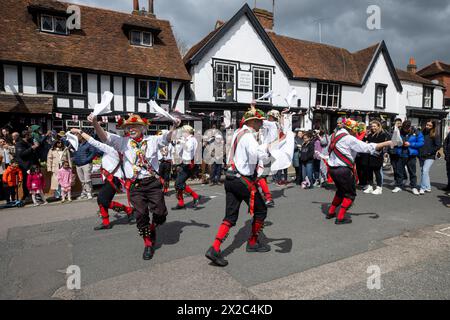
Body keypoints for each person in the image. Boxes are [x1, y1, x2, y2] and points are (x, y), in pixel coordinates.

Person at [89, 113, 180, 261]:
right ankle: (148, 244)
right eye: (128, 126)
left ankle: (152, 229)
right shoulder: (122, 142)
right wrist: (94, 122)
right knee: (141, 215)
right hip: (135, 185)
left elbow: (168, 138)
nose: (131, 129)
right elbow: (104, 137)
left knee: (161, 214)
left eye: (134, 126)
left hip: (152, 182)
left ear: (143, 127)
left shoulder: (152, 140)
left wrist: (175, 126)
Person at [205, 105, 273, 267]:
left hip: (230, 177)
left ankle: (214, 248)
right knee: (261, 210)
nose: (261, 125)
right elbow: (256, 155)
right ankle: (253, 242)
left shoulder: (237, 133)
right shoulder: (249, 137)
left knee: (230, 216)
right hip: (242, 180)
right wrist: (268, 152)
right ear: (253, 122)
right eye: (259, 122)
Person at [326, 118, 394, 225]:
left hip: (332, 169)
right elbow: (367, 147)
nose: (356, 133)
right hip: (343, 170)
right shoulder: (349, 138)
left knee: (340, 191)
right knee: (350, 194)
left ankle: (330, 212)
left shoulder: (334, 135)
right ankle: (340, 217)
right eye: (355, 130)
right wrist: (387, 142)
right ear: (351, 129)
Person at [70, 128, 135, 230]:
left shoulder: (111, 149)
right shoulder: (113, 150)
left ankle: (128, 210)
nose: (104, 139)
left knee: (102, 199)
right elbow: (96, 146)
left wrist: (80, 131)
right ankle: (106, 222)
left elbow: (94, 142)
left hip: (113, 179)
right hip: (111, 179)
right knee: (102, 200)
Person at [173, 125, 201, 210]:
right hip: (183, 162)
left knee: (179, 183)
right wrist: (178, 144)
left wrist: (182, 142)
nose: (182, 133)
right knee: (178, 184)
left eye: (183, 132)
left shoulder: (192, 140)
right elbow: (179, 151)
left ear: (187, 132)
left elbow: (189, 151)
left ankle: (195, 196)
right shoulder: (186, 139)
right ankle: (181, 203)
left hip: (188, 163)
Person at [392, 120, 424, 195]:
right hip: (400, 154)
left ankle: (414, 187)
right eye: (404, 128)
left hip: (411, 155)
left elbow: (421, 143)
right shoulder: (399, 131)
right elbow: (394, 140)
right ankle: (398, 186)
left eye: (407, 129)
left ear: (410, 127)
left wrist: (410, 144)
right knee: (399, 171)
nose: (405, 130)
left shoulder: (416, 132)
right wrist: (398, 143)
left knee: (412, 172)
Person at [364, 121, 389, 195]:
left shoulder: (382, 134)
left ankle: (379, 188)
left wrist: (370, 145)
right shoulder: (370, 134)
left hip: (377, 156)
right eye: (372, 126)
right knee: (369, 172)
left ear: (378, 126)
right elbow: (367, 141)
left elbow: (379, 145)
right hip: (369, 155)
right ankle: (370, 186)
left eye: (374, 126)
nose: (373, 127)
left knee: (377, 172)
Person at [15, 130, 40, 201]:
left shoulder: (30, 142)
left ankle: (35, 195)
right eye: (30, 135)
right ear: (26, 135)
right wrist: (32, 148)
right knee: (27, 181)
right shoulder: (19, 143)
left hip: (33, 165)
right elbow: (22, 154)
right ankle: (26, 196)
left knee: (35, 180)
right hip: (25, 166)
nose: (31, 136)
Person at [72, 134, 98, 200]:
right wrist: (75, 160)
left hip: (86, 164)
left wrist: (87, 160)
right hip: (78, 164)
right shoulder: (76, 144)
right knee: (82, 180)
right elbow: (74, 153)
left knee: (87, 179)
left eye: (77, 136)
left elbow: (93, 152)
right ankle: (84, 192)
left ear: (81, 136)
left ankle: (89, 193)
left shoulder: (89, 143)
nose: (76, 138)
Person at [419, 120, 441, 195]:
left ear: (433, 127)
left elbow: (438, 145)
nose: (427, 126)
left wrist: (430, 152)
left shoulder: (435, 134)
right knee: (424, 172)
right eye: (427, 124)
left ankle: (422, 188)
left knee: (425, 170)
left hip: (430, 156)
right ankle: (428, 187)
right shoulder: (422, 132)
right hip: (421, 155)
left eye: (429, 125)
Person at [388, 118, 403, 186]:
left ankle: (401, 180)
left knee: (399, 167)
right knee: (394, 167)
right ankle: (395, 180)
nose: (398, 124)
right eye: (397, 123)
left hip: (400, 150)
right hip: (392, 151)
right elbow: (390, 138)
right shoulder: (391, 130)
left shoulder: (402, 130)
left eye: (399, 123)